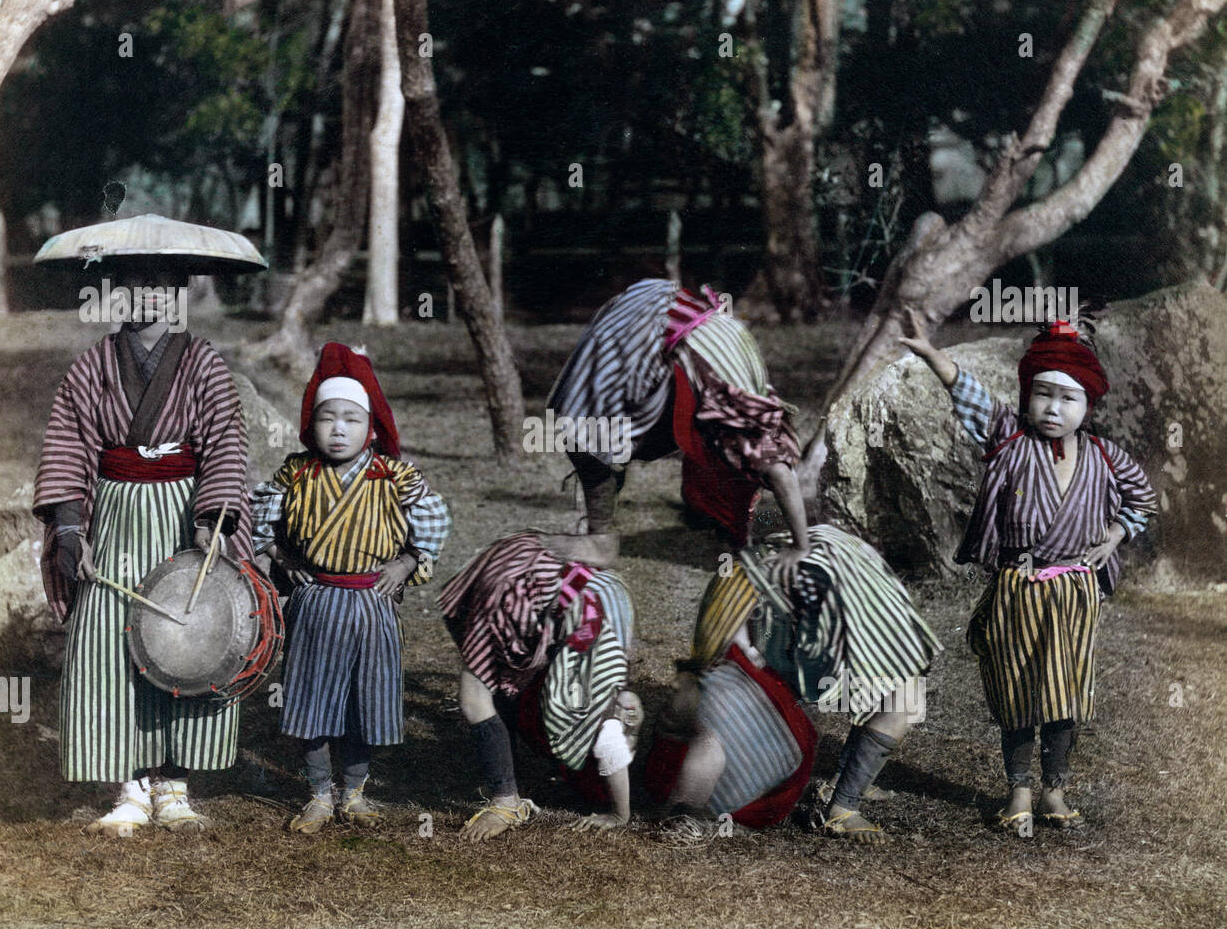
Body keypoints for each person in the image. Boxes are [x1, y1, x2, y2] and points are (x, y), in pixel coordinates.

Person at [901, 312, 1157, 832]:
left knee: (1065, 692)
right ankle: (1018, 789)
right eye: (1042, 394)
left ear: (1088, 405)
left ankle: (1054, 792)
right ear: (1025, 396)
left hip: (1075, 592)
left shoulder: (1106, 458)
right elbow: (967, 393)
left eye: (1068, 398)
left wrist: (1113, 534)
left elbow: (1143, 500)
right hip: (1017, 588)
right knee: (1018, 692)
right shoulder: (1006, 440)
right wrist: (932, 355)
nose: (1053, 408)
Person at [34, 263, 251, 835]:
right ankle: (127, 784)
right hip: (115, 517)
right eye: (132, 286)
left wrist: (213, 519)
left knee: (190, 635)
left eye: (161, 286)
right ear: (112, 294)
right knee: (108, 640)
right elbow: (68, 447)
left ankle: (176, 783)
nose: (147, 298)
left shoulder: (204, 361)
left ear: (179, 295)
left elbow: (226, 443)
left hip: (184, 519)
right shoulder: (92, 365)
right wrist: (69, 530)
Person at [250, 343, 450, 832]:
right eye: (327, 418)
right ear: (311, 424)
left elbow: (434, 519)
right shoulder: (296, 472)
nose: (338, 429)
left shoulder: (393, 475)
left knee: (367, 700)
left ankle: (355, 791)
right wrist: (281, 556)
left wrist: (407, 561)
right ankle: (319, 793)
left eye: (351, 419)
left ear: (371, 427)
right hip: (316, 602)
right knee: (311, 698)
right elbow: (260, 518)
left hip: (372, 603)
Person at [646, 525, 941, 843]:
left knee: (907, 697)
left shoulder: (869, 601)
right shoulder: (745, 587)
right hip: (759, 688)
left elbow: (910, 659)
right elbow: (702, 679)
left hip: (809, 673)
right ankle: (686, 812)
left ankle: (844, 805)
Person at [545, 279, 809, 576]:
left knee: (586, 434)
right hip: (666, 320)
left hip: (669, 314)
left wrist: (801, 547)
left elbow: (780, 475)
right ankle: (603, 526)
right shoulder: (737, 411)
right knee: (590, 429)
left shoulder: (739, 420)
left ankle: (601, 537)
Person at [439, 533, 641, 842]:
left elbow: (607, 735)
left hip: (551, 587)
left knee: (598, 717)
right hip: (530, 585)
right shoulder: (579, 635)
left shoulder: (592, 651)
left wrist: (618, 815)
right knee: (485, 689)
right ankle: (507, 794)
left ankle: (507, 800)